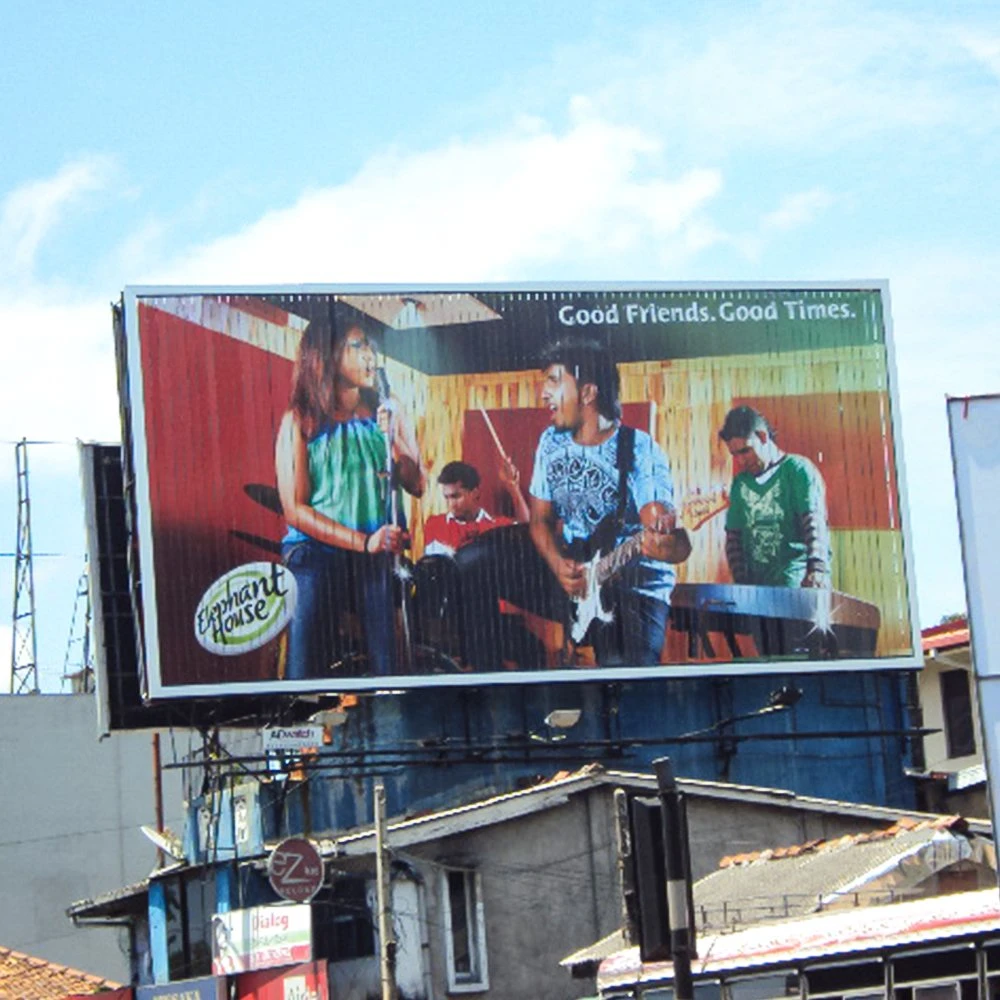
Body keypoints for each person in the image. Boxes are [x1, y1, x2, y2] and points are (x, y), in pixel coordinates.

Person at [275, 311, 426, 678]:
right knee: (305, 656)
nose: (370, 356)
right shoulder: (299, 421)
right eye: (357, 346)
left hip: (375, 553)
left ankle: (390, 721)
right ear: (326, 355)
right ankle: (301, 715)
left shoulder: (387, 409)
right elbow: (295, 510)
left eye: (370, 347)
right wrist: (363, 542)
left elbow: (417, 484)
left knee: (388, 660)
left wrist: (395, 440)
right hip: (315, 550)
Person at [525, 338, 691, 665]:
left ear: (588, 393)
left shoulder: (639, 448)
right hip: (575, 572)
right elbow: (539, 521)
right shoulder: (549, 442)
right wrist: (559, 565)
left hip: (634, 589)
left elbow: (671, 540)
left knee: (622, 676)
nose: (544, 393)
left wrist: (665, 542)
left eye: (555, 381)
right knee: (478, 561)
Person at [718, 405, 831, 588]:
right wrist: (742, 585)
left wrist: (817, 569)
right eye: (734, 454)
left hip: (797, 583)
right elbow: (733, 539)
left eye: (746, 450)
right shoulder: (740, 484)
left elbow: (814, 523)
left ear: (763, 437)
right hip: (757, 591)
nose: (741, 461)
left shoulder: (798, 470)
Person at [423, 458, 529, 557]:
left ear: (475, 493)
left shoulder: (497, 526)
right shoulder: (434, 525)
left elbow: (528, 531)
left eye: (456, 496)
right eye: (446, 497)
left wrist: (513, 487)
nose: (451, 504)